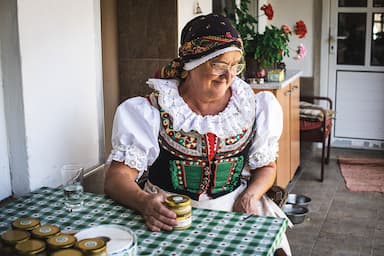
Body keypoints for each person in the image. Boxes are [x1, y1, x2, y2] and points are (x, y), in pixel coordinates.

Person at [104, 13, 291, 255]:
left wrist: (250, 196)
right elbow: (116, 178)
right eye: (219, 65)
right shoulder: (150, 111)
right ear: (191, 65)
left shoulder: (253, 107)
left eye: (235, 65)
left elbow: (266, 167)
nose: (229, 75)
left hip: (234, 210)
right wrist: (143, 202)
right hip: (168, 215)